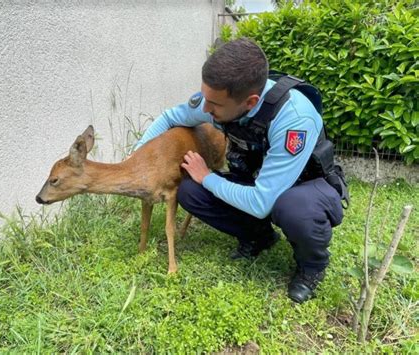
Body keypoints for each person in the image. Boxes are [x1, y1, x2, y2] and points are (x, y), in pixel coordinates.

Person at [133, 38, 344, 303]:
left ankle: (312, 266)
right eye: (205, 98)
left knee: (293, 208)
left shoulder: (294, 118)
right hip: (257, 178)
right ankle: (259, 237)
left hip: (304, 187)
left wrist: (208, 177)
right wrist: (136, 156)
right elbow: (169, 117)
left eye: (215, 105)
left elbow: (260, 203)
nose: (205, 110)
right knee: (190, 191)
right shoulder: (219, 98)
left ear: (250, 101)